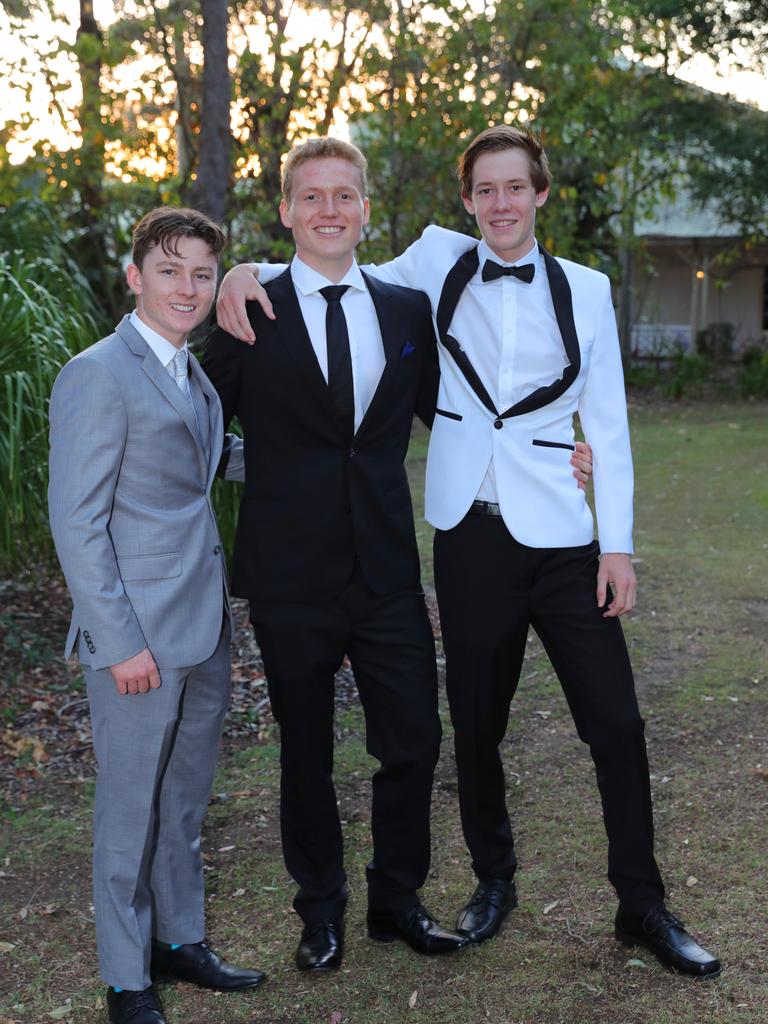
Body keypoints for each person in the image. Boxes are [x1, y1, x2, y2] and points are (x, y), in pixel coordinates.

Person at [215, 125, 720, 978]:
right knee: (476, 729)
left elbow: (610, 421)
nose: (499, 204)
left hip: (562, 532)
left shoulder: (588, 288)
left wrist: (618, 543)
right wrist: (241, 271)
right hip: (463, 535)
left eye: (514, 188)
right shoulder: (434, 264)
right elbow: (325, 274)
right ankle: (490, 883)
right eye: (484, 190)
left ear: (540, 193)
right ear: (466, 201)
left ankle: (642, 903)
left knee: (617, 724)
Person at [202, 138, 475, 973]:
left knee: (415, 740)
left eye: (344, 197)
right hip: (289, 578)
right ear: (286, 211)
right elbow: (196, 419)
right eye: (311, 197)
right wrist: (232, 274)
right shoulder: (246, 308)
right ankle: (319, 913)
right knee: (305, 751)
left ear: (364, 210)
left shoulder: (403, 309)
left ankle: (397, 898)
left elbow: (455, 418)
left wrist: (553, 453)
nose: (329, 211)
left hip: (386, 570)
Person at [48, 207, 265, 1024]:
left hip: (203, 625)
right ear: (136, 276)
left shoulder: (192, 371)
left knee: (182, 797)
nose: (188, 286)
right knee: (129, 807)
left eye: (203, 274)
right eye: (170, 270)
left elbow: (209, 462)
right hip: (136, 637)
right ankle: (125, 977)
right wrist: (118, 641)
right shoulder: (98, 373)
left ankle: (179, 940)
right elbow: (77, 520)